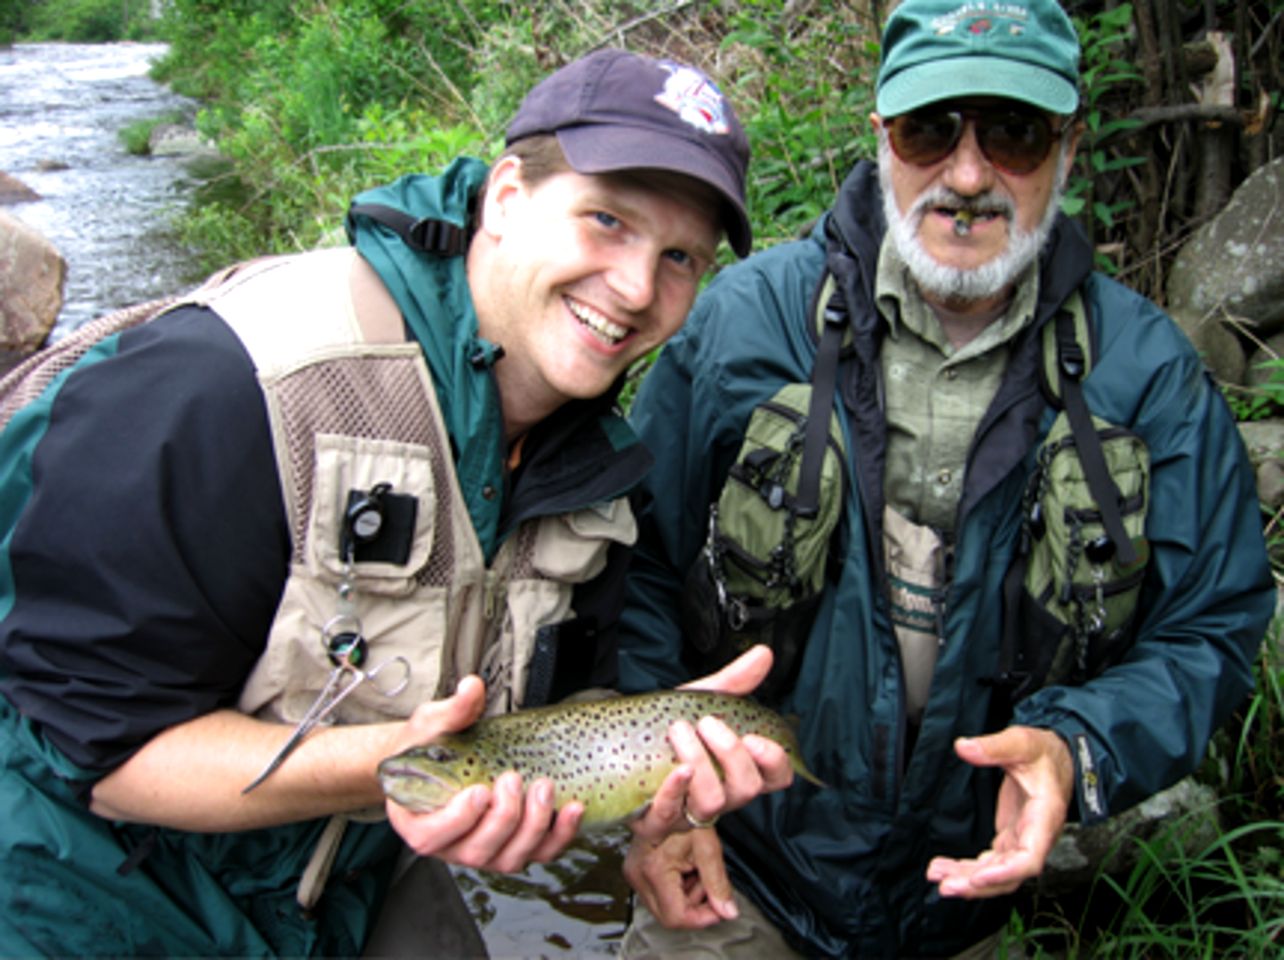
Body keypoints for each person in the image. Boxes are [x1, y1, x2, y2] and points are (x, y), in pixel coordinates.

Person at [0, 48, 794, 957]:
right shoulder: (230, 387)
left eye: (680, 257)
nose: (636, 288)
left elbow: (565, 713)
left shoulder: (595, 477)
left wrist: (659, 805)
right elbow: (101, 751)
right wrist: (397, 768)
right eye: (606, 220)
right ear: (505, 198)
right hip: (73, 901)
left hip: (327, 901)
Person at [615, 1, 1277, 957]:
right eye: (931, 130)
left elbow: (1213, 623)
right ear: (881, 136)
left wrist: (1076, 749)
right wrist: (664, 807)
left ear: (1070, 145)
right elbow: (639, 569)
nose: (968, 175)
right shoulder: (744, 325)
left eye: (1013, 133)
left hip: (968, 903)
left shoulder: (1148, 375)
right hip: (736, 877)